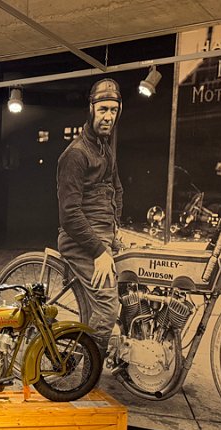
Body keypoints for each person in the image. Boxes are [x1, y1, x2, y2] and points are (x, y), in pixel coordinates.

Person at [57, 78, 124, 358]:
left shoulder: (104, 148)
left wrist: (116, 229)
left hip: (103, 236)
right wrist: (99, 251)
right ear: (91, 109)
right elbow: (69, 214)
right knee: (108, 307)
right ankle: (85, 366)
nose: (108, 116)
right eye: (103, 109)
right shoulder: (76, 155)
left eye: (113, 110)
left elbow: (117, 190)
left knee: (134, 281)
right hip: (80, 241)